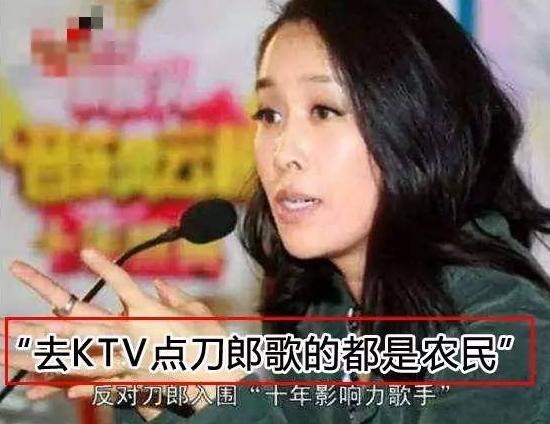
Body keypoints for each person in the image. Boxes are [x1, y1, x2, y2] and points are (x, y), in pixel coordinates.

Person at [2, 0, 550, 423]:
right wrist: (157, 393)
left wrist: (218, 389)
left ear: (420, 127)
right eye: (269, 114)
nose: (283, 151)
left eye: (324, 111)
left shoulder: (511, 335)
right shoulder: (327, 313)